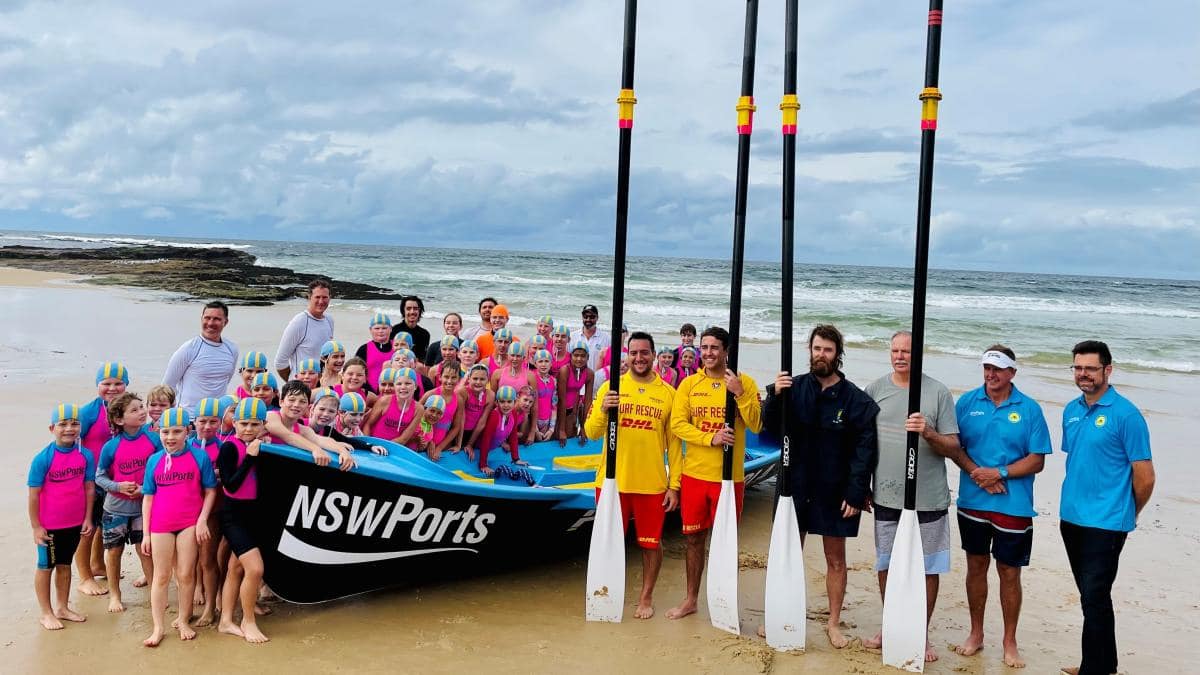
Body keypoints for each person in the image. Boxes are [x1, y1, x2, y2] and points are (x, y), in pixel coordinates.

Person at [763, 324, 879, 648]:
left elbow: (865, 449)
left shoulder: (855, 399)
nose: (821, 355)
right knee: (786, 552)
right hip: (794, 485)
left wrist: (857, 491)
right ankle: (780, 612)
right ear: (809, 351)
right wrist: (775, 395)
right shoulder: (793, 387)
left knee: (836, 559)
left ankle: (833, 623)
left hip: (835, 489)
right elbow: (768, 429)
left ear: (837, 354)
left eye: (828, 350)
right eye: (817, 349)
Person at [860, 330, 958, 659]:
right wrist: (861, 485)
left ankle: (921, 632)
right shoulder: (875, 390)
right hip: (886, 495)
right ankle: (892, 624)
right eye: (895, 350)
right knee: (887, 563)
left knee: (927, 568)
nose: (900, 356)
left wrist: (927, 432)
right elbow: (862, 442)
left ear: (919, 355)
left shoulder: (938, 393)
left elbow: (953, 446)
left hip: (928, 497)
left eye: (907, 351)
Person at [952, 345, 1052, 669]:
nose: (991, 374)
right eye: (986, 368)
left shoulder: (1030, 409)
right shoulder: (967, 403)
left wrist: (1001, 473)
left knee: (1009, 572)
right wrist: (978, 475)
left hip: (1014, 505)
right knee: (976, 567)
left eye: (998, 369)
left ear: (1012, 373)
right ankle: (976, 633)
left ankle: (1010, 641)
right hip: (972, 502)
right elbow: (955, 447)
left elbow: (1037, 460)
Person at [1058, 340, 1154, 675]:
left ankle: (1093, 670)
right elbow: (1080, 459)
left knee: (1094, 595)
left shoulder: (1126, 415)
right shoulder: (1071, 410)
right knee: (1092, 596)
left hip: (1108, 522)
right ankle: (1103, 664)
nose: (1083, 374)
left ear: (1107, 370)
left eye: (1090, 368)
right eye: (1078, 368)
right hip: (1071, 517)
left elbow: (1145, 478)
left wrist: (1128, 512)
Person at [665, 326, 761, 621]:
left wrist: (741, 394)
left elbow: (757, 425)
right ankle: (691, 599)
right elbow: (678, 425)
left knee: (725, 541)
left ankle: (724, 600)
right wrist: (711, 438)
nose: (707, 353)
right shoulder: (689, 384)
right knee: (694, 539)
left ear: (726, 351)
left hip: (729, 479)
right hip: (695, 476)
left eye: (714, 348)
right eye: (704, 347)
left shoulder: (744, 382)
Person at [584, 331, 682, 619]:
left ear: (654, 355)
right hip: (613, 482)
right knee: (608, 542)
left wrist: (674, 486)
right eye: (634, 353)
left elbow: (675, 446)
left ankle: (646, 596)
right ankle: (605, 592)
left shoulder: (668, 394)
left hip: (651, 483)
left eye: (645, 353)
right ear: (627, 355)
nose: (639, 358)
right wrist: (603, 409)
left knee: (651, 544)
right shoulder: (611, 388)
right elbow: (591, 432)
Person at [140, 407, 218, 646]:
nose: (170, 437)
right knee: (161, 576)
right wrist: (145, 533)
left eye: (176, 431)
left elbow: (210, 490)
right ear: (158, 432)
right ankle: (158, 627)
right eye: (165, 432)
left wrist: (202, 519)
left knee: (185, 574)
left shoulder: (199, 457)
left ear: (188, 431)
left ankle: (184, 620)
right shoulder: (154, 460)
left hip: (188, 523)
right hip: (160, 524)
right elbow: (148, 498)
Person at [29, 404, 96, 630]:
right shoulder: (43, 459)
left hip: (75, 522)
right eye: (63, 424)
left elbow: (89, 489)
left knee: (65, 565)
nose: (69, 428)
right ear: (52, 428)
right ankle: (46, 612)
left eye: (75, 424)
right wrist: (36, 527)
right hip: (49, 525)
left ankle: (62, 607)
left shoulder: (85, 455)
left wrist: (87, 519)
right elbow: (34, 495)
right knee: (45, 566)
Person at [95, 393, 161, 614]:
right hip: (115, 509)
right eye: (134, 410)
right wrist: (117, 486)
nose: (142, 411)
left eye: (142, 407)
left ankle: (155, 592)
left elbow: (161, 469)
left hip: (144, 508)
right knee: (114, 552)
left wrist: (146, 489)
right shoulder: (111, 447)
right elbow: (100, 477)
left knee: (146, 551)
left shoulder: (154, 440)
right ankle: (115, 594)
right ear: (119, 420)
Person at [217, 398, 272, 644]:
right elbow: (231, 485)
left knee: (235, 567)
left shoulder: (260, 445)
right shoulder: (230, 448)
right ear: (234, 423)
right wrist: (250, 457)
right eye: (243, 423)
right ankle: (247, 621)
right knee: (255, 568)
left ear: (263, 425)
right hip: (233, 516)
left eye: (254, 424)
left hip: (254, 515)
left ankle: (226, 621)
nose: (248, 429)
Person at [75, 361, 129, 597]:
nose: (112, 388)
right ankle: (85, 576)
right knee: (87, 528)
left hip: (113, 480)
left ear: (126, 385)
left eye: (118, 383)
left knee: (100, 525)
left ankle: (97, 564)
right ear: (97, 385)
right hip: (91, 480)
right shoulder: (88, 413)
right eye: (106, 384)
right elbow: (71, 443)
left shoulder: (125, 410)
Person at [190, 397, 231, 627]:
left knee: (208, 558)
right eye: (202, 421)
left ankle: (210, 606)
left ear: (220, 422)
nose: (207, 426)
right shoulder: (184, 445)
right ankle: (196, 590)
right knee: (189, 559)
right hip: (188, 510)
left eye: (213, 421)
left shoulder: (224, 447)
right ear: (194, 422)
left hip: (214, 510)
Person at [161, 300, 239, 413]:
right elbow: (167, 387)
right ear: (201, 319)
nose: (210, 323)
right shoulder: (188, 349)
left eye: (216, 319)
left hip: (217, 419)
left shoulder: (232, 349)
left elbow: (225, 381)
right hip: (189, 418)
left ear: (225, 322)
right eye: (207, 318)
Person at [266, 381, 356, 471]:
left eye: (302, 401)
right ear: (281, 402)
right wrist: (315, 449)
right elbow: (288, 436)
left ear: (307, 406)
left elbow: (321, 440)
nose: (296, 405)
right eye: (292, 400)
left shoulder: (303, 430)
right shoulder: (270, 416)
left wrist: (343, 452)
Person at [274, 279, 334, 381]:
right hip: (301, 387)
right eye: (317, 297)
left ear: (330, 298)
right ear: (309, 297)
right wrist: (294, 383)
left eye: (324, 297)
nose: (321, 301)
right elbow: (280, 362)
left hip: (321, 384)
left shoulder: (329, 320)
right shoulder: (300, 322)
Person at [476, 386, 528, 476]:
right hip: (478, 449)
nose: (506, 405)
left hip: (492, 448)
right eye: (502, 401)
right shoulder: (494, 416)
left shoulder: (514, 414)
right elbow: (486, 439)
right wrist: (483, 465)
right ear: (497, 403)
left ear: (515, 402)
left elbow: (513, 436)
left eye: (509, 401)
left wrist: (516, 459)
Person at [555, 340, 594, 447]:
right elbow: (562, 400)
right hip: (558, 410)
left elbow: (588, 402)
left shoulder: (589, 373)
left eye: (583, 356)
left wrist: (584, 427)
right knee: (559, 437)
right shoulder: (565, 370)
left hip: (573, 409)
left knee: (571, 436)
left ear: (588, 357)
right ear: (571, 356)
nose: (579, 359)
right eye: (576, 355)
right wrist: (561, 429)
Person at [390, 295, 431, 363]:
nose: (412, 312)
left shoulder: (425, 334)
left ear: (419, 310)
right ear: (403, 311)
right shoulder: (394, 330)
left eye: (415, 308)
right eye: (408, 308)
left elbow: (422, 359)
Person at [570, 304, 610, 370]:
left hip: (598, 378)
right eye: (585, 316)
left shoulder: (606, 338)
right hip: (577, 378)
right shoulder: (573, 336)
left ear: (597, 318)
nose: (588, 319)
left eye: (592, 317)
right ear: (582, 317)